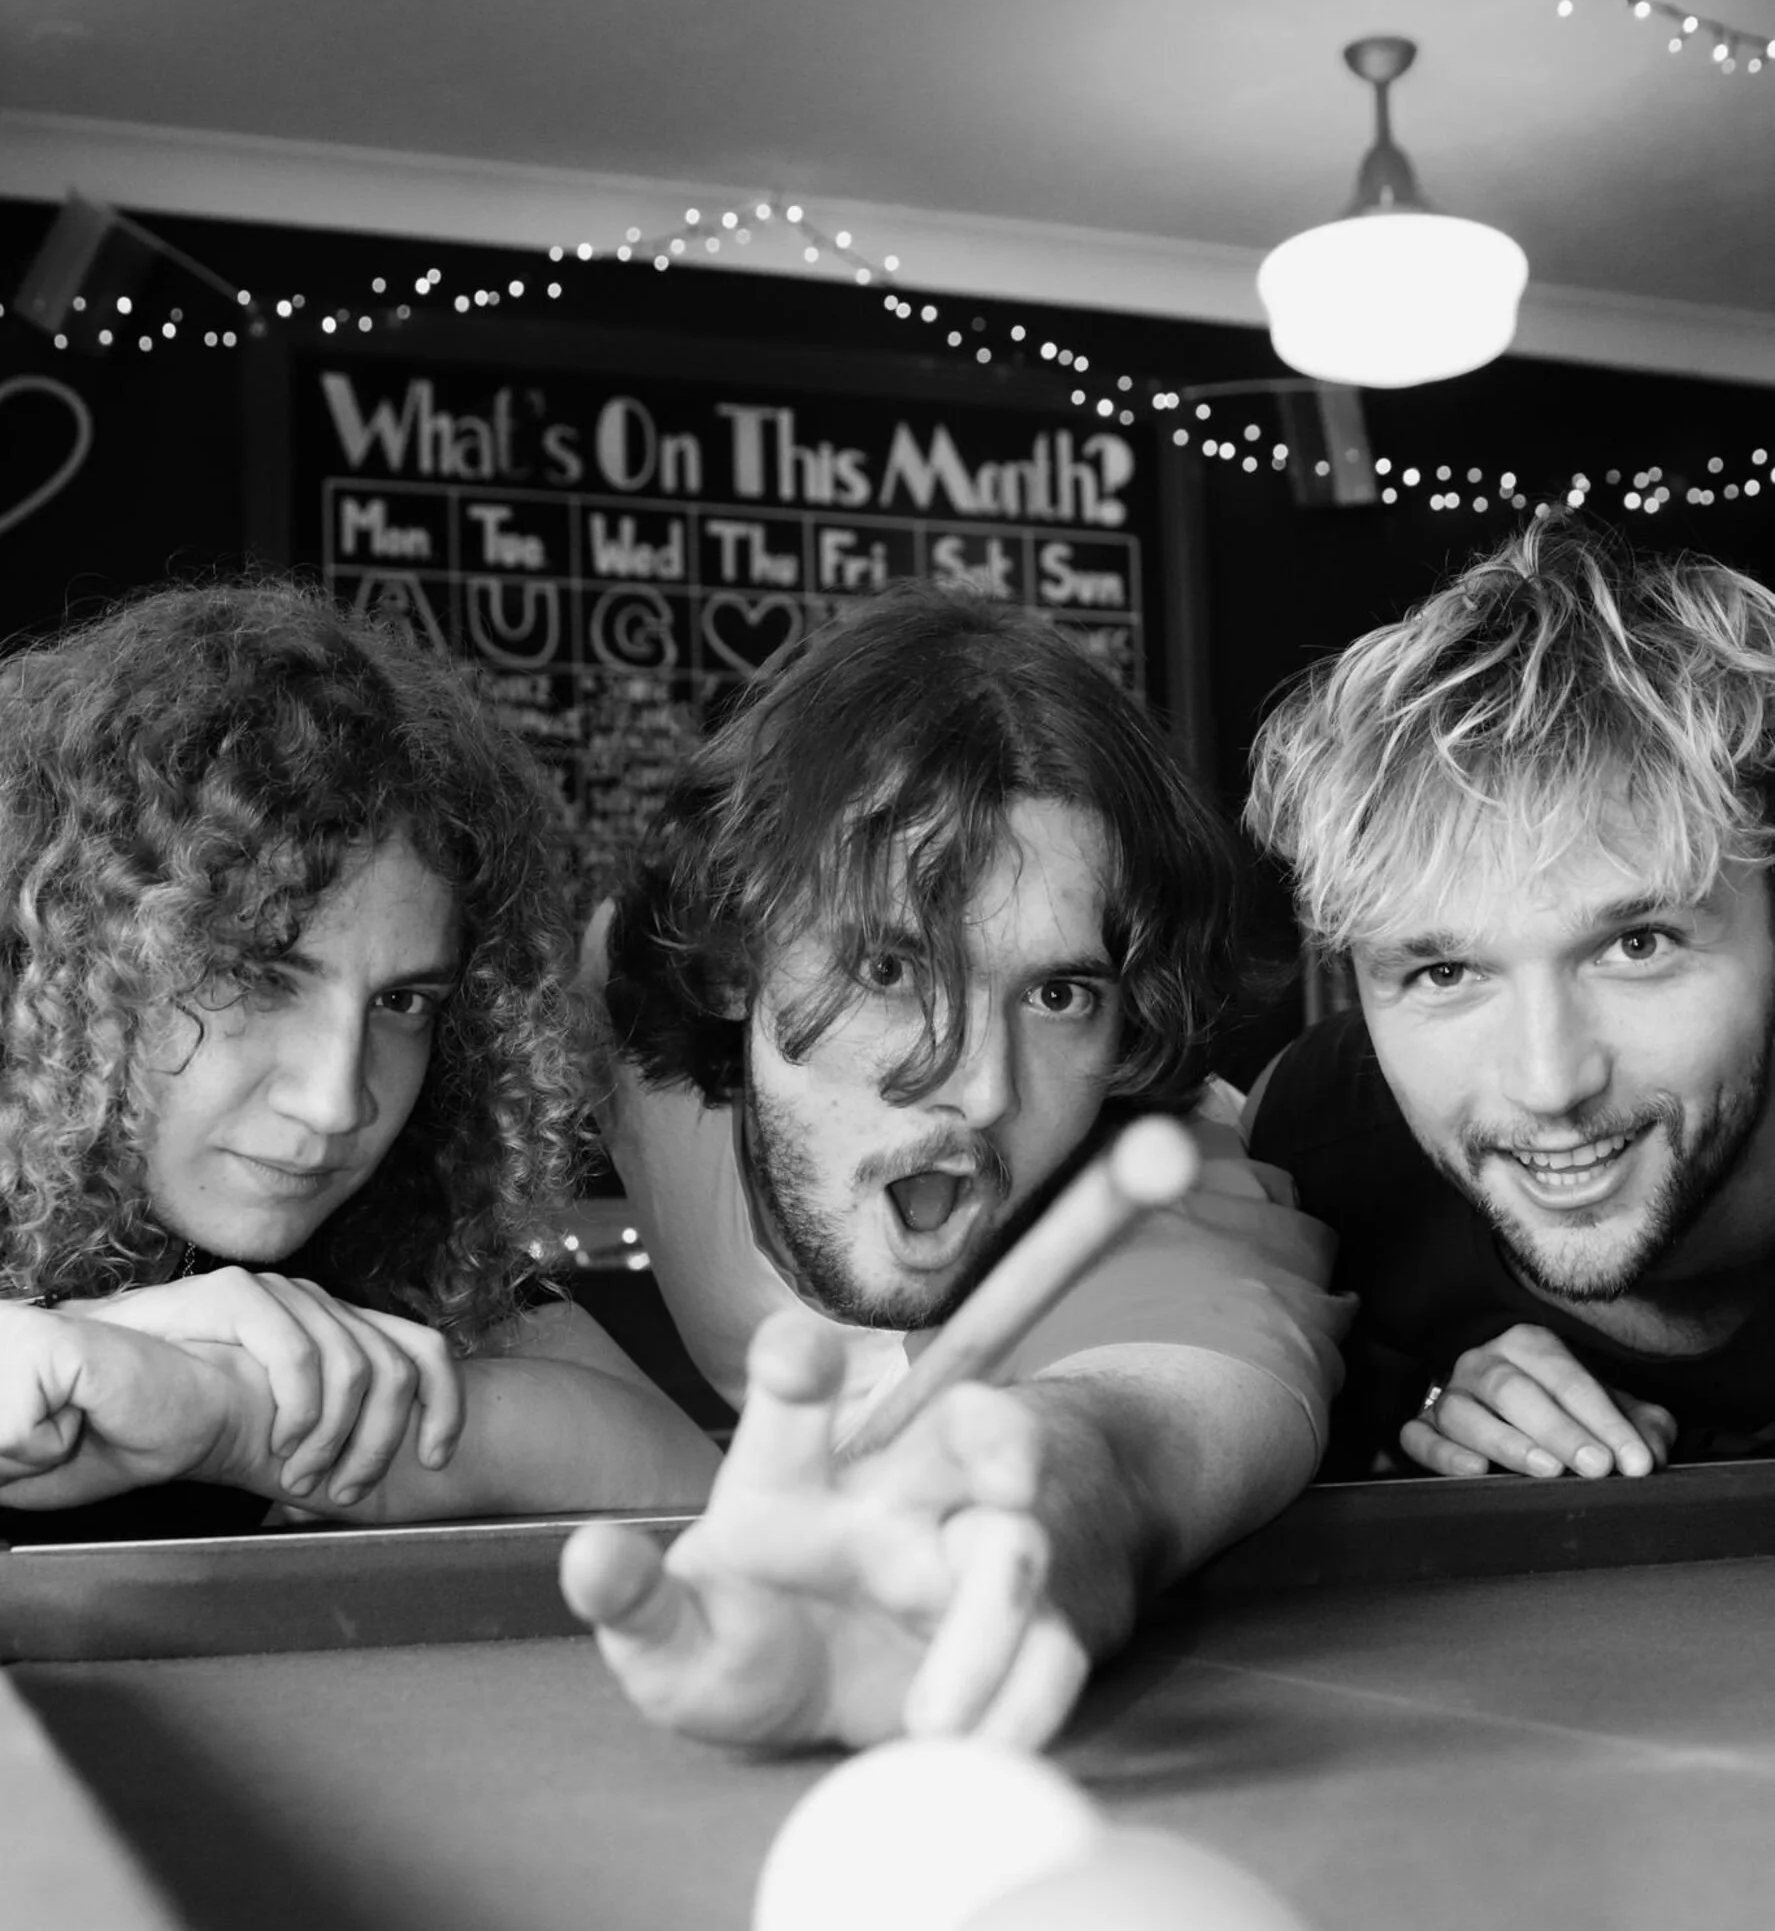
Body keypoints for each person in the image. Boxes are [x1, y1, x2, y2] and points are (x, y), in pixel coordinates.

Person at [558, 585, 1350, 1751]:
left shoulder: (1169, 1201)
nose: (981, 1089)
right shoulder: (630, 1034)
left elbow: (1135, 1436)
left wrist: (1001, 1537)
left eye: (1058, 994)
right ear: (734, 964)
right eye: (889, 969)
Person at [0, 578, 720, 1539]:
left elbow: (687, 1478)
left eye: (402, 1002)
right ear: (73, 950)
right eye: (256, 976)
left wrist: (233, 1414)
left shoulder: (385, 1226)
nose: (336, 1100)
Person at [1244, 518, 1775, 1482]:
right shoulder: (1312, 1151)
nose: (1548, 1083)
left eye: (1635, 945)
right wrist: (1422, 1410)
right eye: (1446, 973)